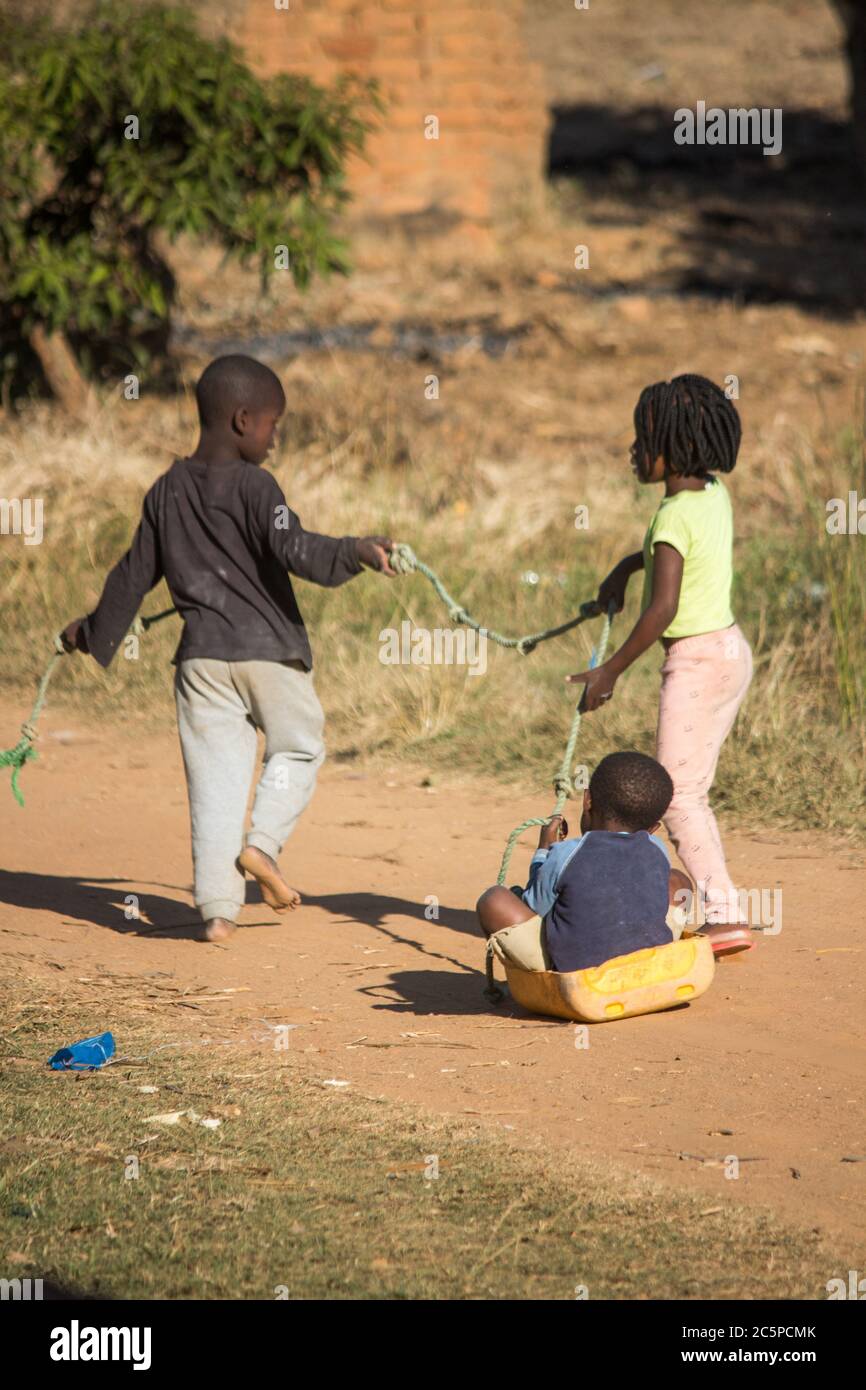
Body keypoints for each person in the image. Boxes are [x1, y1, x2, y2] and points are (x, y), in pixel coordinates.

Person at [62, 354, 397, 942]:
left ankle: (217, 912)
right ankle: (263, 847)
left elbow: (131, 577)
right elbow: (295, 548)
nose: (275, 438)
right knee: (296, 749)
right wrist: (356, 551)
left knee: (213, 782)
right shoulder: (255, 484)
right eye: (274, 424)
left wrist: (92, 632)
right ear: (243, 420)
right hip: (268, 654)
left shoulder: (165, 492)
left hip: (201, 664)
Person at [567, 374, 752, 947]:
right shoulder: (710, 493)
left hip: (695, 662)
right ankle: (718, 906)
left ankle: (723, 914)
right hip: (730, 651)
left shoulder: (671, 516)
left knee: (678, 797)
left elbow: (663, 610)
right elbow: (675, 558)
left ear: (670, 449)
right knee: (693, 789)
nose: (632, 453)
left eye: (640, 441)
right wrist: (627, 568)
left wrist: (610, 671)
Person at [476, 751, 693, 972]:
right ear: (653, 828)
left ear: (588, 800)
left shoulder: (565, 853)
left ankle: (542, 982)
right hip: (646, 965)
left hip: (574, 972)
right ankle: (660, 953)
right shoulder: (657, 849)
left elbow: (536, 908)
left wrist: (544, 851)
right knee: (679, 881)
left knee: (494, 899)